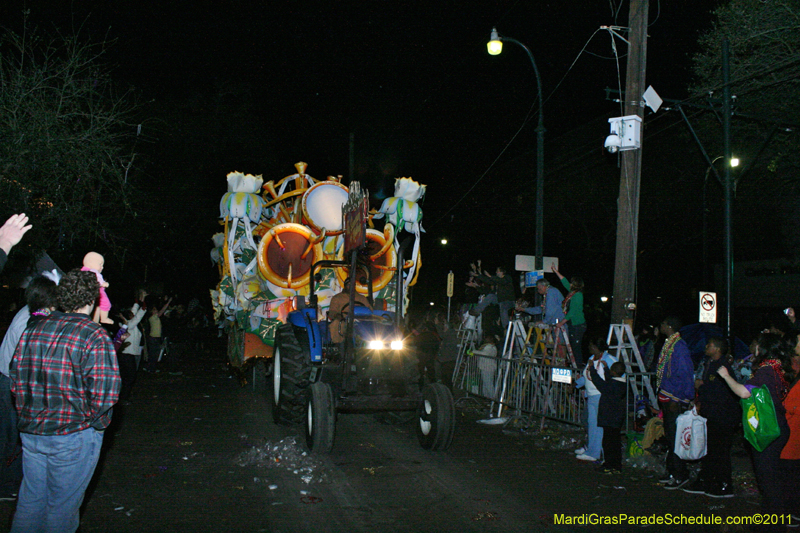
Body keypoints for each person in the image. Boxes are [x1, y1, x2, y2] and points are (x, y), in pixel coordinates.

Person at [10, 269, 120, 533]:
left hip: (32, 433)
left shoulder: (33, 330)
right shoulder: (93, 334)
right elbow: (106, 392)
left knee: (30, 502)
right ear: (92, 300)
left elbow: (15, 379)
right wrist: (95, 424)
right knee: (61, 508)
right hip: (72, 434)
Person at [717, 333, 793, 529]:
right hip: (778, 426)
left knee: (769, 483)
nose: (754, 348)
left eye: (757, 345)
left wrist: (726, 376)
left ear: (763, 348)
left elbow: (743, 392)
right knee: (772, 479)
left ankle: (774, 526)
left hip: (768, 430)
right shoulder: (779, 367)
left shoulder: (767, 371)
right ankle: (769, 522)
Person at [0, 275, 59, 500]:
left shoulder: (31, 312)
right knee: (14, 435)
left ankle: (11, 482)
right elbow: (24, 363)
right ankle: (7, 486)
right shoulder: (31, 321)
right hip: (11, 382)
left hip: (10, 379)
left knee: (15, 434)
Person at [682, 336, 739, 498]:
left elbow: (720, 393)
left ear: (717, 349)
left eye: (709, 345)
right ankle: (707, 480)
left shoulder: (722, 367)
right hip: (713, 414)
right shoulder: (711, 364)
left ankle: (724, 484)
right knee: (710, 450)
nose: (706, 347)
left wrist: (702, 386)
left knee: (719, 450)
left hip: (722, 416)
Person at [655, 316, 695, 490]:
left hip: (673, 399)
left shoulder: (679, 347)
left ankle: (680, 474)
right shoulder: (669, 344)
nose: (661, 325)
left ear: (669, 325)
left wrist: (678, 399)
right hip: (667, 396)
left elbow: (685, 375)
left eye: (663, 323)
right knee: (670, 438)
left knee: (676, 439)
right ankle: (672, 471)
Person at [574, 336, 618, 462]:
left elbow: (618, 376)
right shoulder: (591, 359)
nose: (588, 348)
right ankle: (591, 448)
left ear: (596, 347)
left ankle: (594, 453)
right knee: (591, 423)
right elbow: (585, 376)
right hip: (592, 395)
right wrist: (576, 384)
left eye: (590, 346)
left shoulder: (609, 360)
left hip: (601, 396)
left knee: (596, 426)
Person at [590, 361, 627, 474]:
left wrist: (592, 369)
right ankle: (616, 465)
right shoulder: (620, 384)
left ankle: (609, 465)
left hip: (609, 418)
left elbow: (599, 382)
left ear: (613, 372)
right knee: (615, 442)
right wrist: (606, 369)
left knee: (608, 443)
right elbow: (608, 381)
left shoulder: (612, 385)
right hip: (616, 418)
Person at [552, 265, 586, 366]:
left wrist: (561, 323)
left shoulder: (578, 295)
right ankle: (575, 366)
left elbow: (572, 312)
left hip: (578, 325)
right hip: (573, 324)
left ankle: (578, 368)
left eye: (572, 283)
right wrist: (555, 271)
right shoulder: (572, 293)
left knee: (575, 347)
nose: (570, 284)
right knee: (572, 346)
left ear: (575, 284)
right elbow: (565, 282)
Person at [472, 263, 516, 331]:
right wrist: (477, 275)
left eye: (497, 271)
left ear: (502, 272)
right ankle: (477, 310)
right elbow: (488, 280)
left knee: (503, 307)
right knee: (491, 296)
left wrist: (489, 276)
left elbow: (502, 281)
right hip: (500, 299)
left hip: (509, 301)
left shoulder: (507, 278)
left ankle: (506, 328)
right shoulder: (496, 280)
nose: (496, 272)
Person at [327, 278, 372, 343]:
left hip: (360, 321)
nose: (350, 286)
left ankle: (368, 344)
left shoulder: (362, 298)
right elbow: (332, 312)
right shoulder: (337, 298)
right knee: (336, 323)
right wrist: (337, 315)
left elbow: (370, 311)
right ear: (345, 286)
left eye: (352, 285)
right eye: (348, 285)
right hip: (344, 320)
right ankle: (338, 344)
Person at [118, 305, 147, 401]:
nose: (133, 315)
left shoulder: (129, 324)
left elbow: (135, 314)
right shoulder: (129, 325)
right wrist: (143, 306)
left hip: (129, 354)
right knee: (129, 377)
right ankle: (123, 398)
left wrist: (137, 303)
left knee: (127, 377)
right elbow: (138, 317)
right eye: (131, 314)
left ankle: (123, 396)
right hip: (127, 355)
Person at [145, 295, 173, 372]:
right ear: (151, 311)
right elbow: (162, 310)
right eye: (154, 309)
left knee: (154, 354)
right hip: (153, 338)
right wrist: (168, 302)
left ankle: (150, 368)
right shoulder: (153, 317)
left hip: (155, 338)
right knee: (153, 354)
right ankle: (151, 368)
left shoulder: (155, 317)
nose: (156, 310)